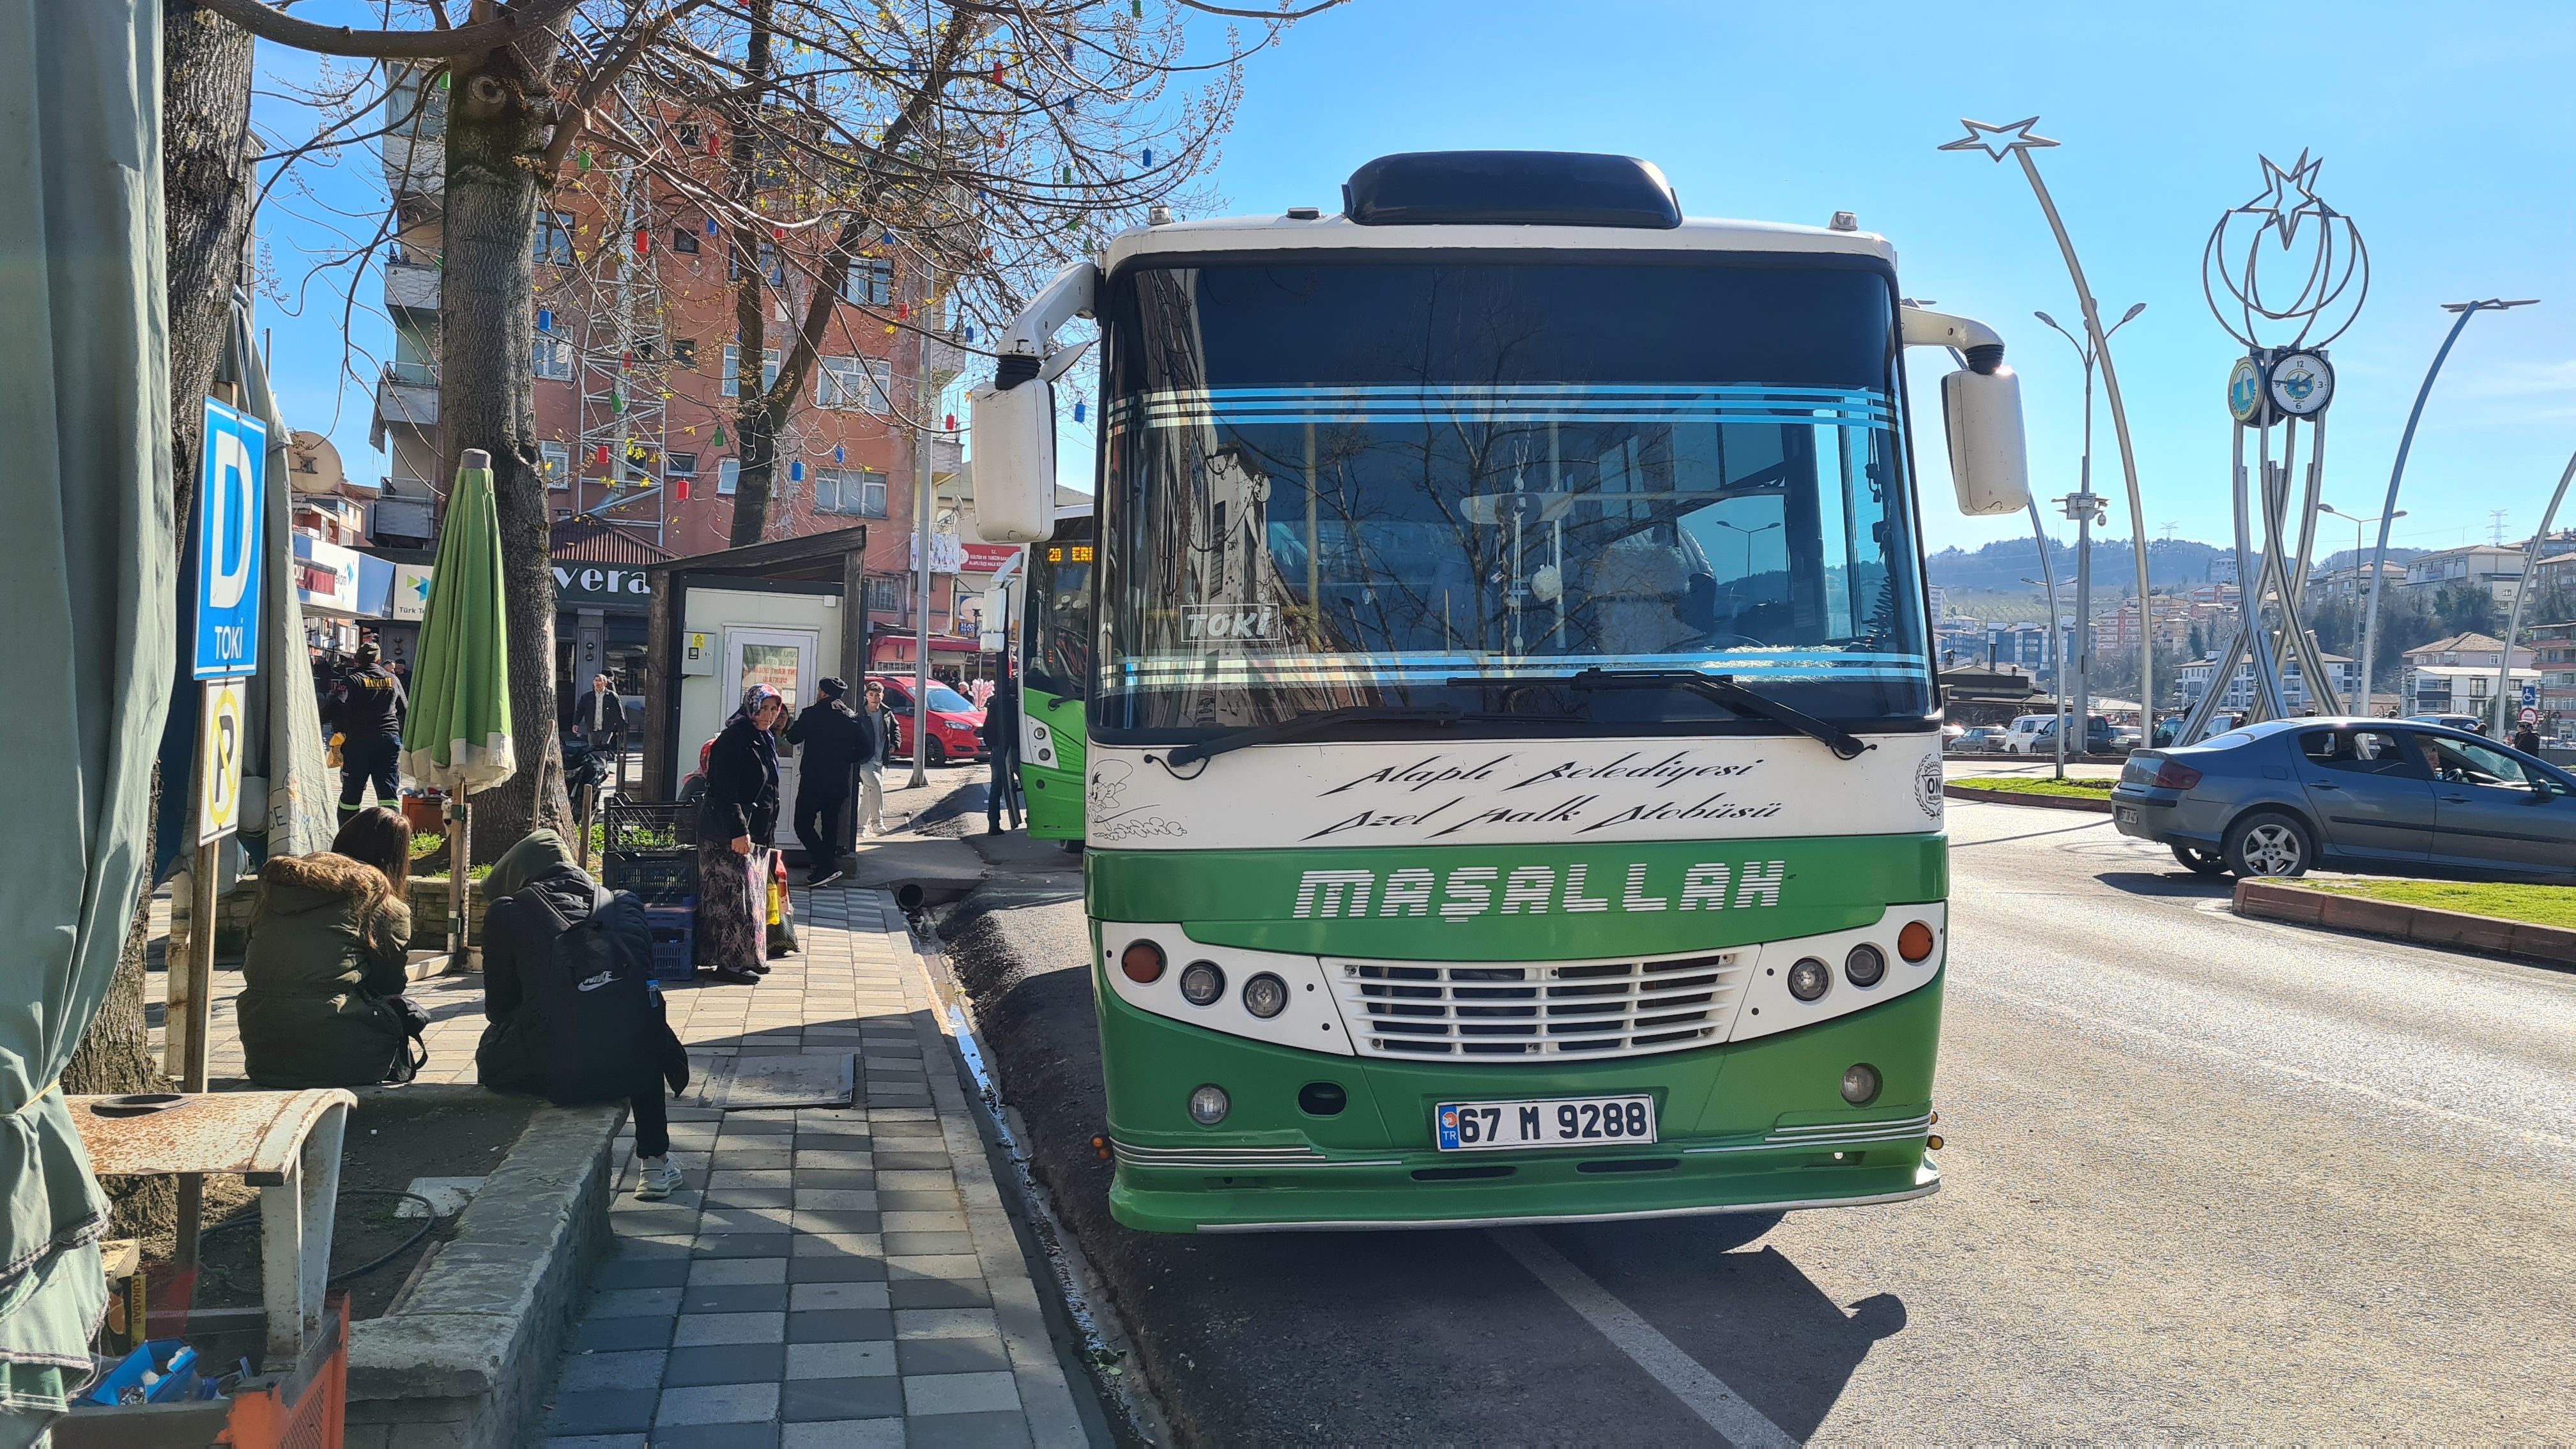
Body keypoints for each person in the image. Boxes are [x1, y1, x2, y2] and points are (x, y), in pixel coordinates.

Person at [475, 831, 691, 1201]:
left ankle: (507, 1157)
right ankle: (656, 1162)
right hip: (632, 1068)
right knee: (640, 1021)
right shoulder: (625, 903)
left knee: (493, 1045)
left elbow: (499, 1007)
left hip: (553, 1069)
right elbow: (645, 984)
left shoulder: (507, 912)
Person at [236, 807, 425, 1088]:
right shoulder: (384, 906)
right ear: (395, 860)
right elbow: (390, 985)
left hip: (265, 1056)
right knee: (401, 1009)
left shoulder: (277, 891)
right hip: (342, 1062)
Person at [696, 684, 783, 983]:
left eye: (774, 709)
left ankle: (748, 956)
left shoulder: (764, 738)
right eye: (764, 708)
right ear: (751, 707)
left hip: (754, 832)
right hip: (726, 834)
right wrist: (738, 830)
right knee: (729, 900)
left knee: (751, 899)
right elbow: (724, 791)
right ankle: (728, 964)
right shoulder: (735, 739)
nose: (769, 715)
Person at [785, 677, 866, 887]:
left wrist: (786, 724)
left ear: (822, 692)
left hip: (813, 780)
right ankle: (824, 871)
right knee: (830, 826)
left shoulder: (812, 714)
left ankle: (827, 866)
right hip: (839, 780)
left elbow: (793, 738)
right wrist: (845, 759)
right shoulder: (851, 717)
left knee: (802, 825)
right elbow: (866, 748)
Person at [326, 641, 410, 825]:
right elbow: (403, 707)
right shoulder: (392, 679)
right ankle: (390, 835)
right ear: (379, 661)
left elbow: (333, 707)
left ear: (357, 661)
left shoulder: (352, 680)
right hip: (388, 741)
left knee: (351, 795)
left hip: (359, 743)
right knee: (388, 796)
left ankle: (348, 833)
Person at [983, 664, 1022, 834]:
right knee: (1029, 785)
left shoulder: (994, 704)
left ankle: (993, 824)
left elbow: (987, 730)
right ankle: (1034, 819)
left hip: (998, 749)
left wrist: (993, 746)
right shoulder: (1019, 704)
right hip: (1017, 749)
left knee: (996, 787)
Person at [855, 678, 896, 836]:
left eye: (878, 695)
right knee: (876, 786)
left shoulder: (886, 712)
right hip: (865, 760)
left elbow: (895, 728)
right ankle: (877, 822)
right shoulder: (860, 714)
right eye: (871, 694)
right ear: (866, 695)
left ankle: (860, 828)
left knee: (869, 793)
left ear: (882, 696)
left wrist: (895, 744)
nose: (874, 698)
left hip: (881, 760)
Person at [574, 671, 625, 756]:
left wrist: (622, 725)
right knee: (592, 751)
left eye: (600, 680)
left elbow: (618, 711)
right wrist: (576, 723)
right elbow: (580, 711)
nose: (598, 683)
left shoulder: (612, 696)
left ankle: (603, 763)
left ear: (605, 683)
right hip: (593, 728)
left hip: (607, 728)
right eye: (596, 680)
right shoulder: (587, 697)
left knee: (603, 750)